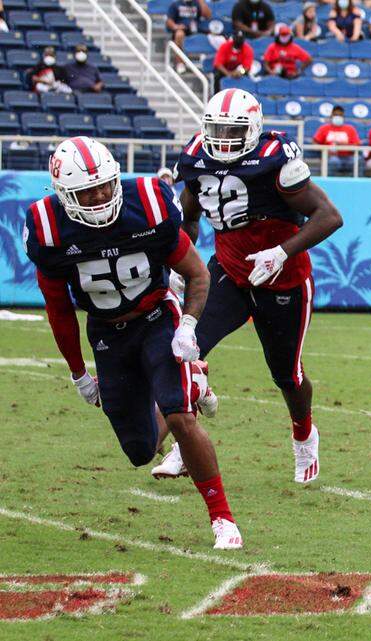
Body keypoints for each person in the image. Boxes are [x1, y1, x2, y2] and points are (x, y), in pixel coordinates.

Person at [26, 136, 241, 550]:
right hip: (107, 333)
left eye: (105, 186)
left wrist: (189, 326)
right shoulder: (49, 229)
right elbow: (59, 310)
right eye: (87, 192)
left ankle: (222, 519)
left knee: (179, 416)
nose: (100, 196)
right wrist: (78, 372)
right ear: (64, 195)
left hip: (158, 316)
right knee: (142, 450)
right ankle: (193, 382)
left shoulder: (147, 203)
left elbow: (198, 274)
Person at [171, 89, 344, 485]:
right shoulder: (196, 157)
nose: (224, 139)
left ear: (252, 129)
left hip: (282, 278)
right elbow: (190, 213)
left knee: (286, 375)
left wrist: (281, 252)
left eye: (233, 130)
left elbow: (329, 216)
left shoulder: (274, 160)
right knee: (183, 349)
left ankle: (304, 435)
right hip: (228, 272)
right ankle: (186, 444)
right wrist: (180, 258)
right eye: (217, 129)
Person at [312, 105, 362, 175]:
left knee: (358, 160)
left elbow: (357, 144)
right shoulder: (324, 128)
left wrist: (343, 146)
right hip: (331, 157)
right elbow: (315, 143)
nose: (338, 117)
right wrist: (325, 151)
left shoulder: (350, 129)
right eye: (335, 115)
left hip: (348, 157)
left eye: (340, 115)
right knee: (334, 161)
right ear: (331, 116)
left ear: (343, 117)